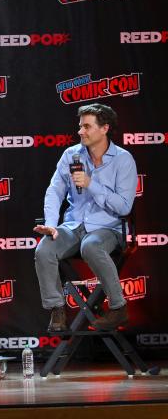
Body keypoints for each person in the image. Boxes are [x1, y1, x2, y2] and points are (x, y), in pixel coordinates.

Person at [33, 103, 137, 331]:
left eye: (87, 126)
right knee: (44, 249)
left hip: (109, 227)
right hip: (74, 225)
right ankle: (57, 309)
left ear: (104, 128)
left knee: (91, 246)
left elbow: (124, 207)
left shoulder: (123, 159)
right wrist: (51, 225)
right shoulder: (71, 155)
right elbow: (54, 190)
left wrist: (91, 184)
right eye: (80, 126)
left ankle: (118, 308)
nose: (80, 131)